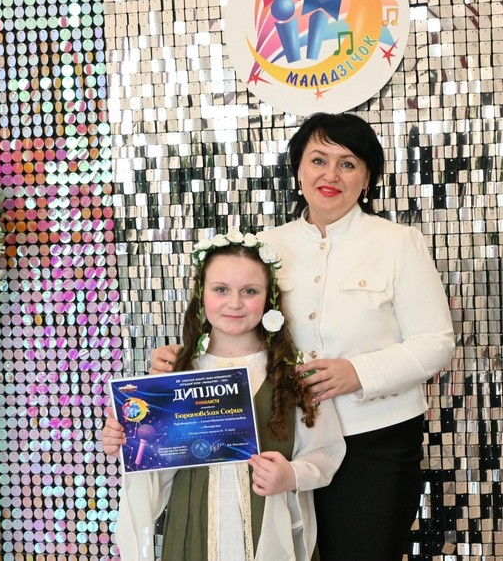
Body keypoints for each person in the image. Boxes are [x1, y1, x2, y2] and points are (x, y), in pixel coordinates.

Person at [151, 112, 455, 560]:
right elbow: (233, 323)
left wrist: (358, 373)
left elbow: (436, 342)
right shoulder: (267, 246)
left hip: (373, 440)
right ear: (298, 170)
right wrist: (181, 363)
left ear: (367, 178)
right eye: (318, 160)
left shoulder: (398, 243)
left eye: (347, 163)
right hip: (281, 441)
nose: (331, 175)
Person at [102, 229, 346, 561]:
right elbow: (158, 467)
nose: (234, 303)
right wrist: (126, 440)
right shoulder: (175, 374)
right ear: (201, 294)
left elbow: (326, 451)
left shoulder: (295, 372)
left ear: (270, 298)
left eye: (249, 291)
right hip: (193, 525)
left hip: (268, 524)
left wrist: (291, 475)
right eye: (221, 289)